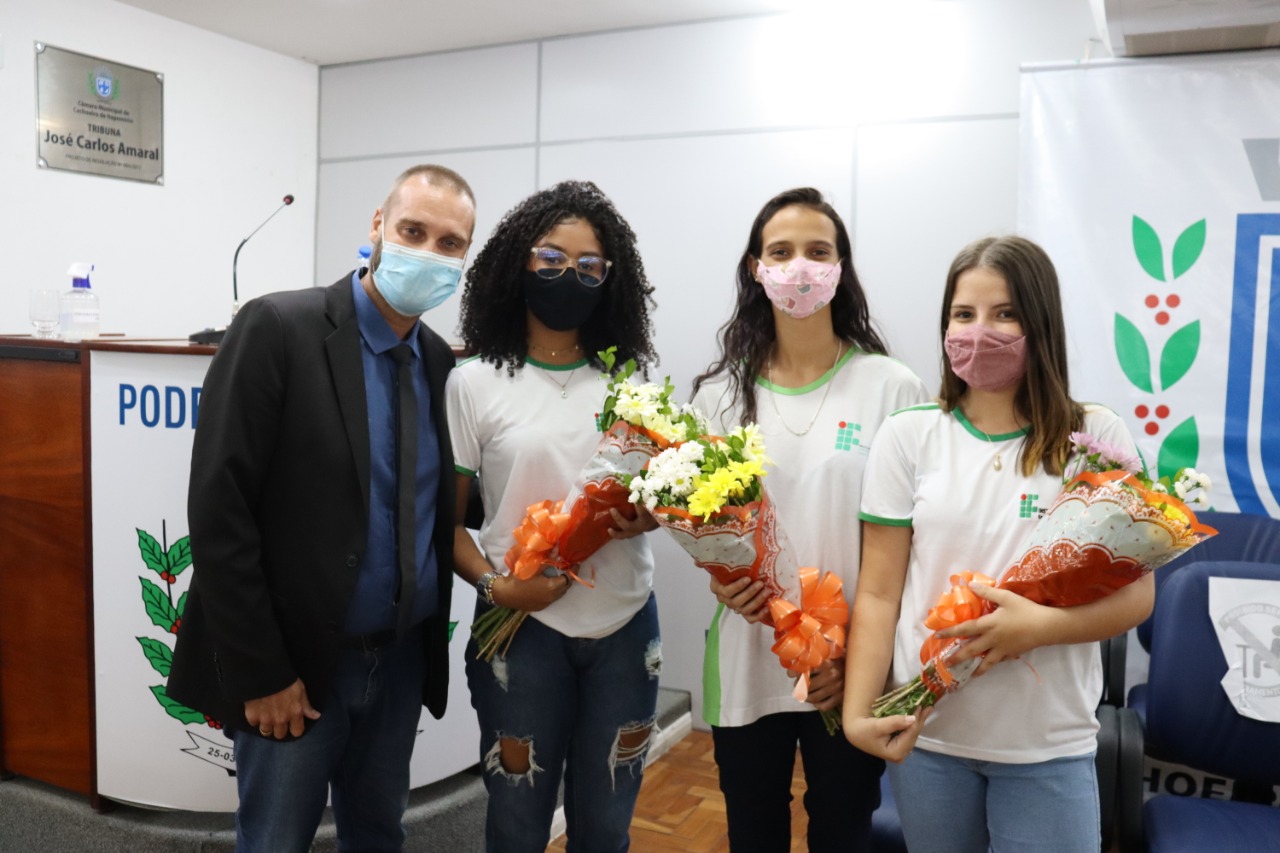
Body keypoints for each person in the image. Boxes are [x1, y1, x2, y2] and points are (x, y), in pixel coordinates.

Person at [169, 164, 476, 852]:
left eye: (450, 243)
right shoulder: (278, 327)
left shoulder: (437, 362)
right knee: (275, 839)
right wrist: (264, 672)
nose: (429, 252)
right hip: (298, 666)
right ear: (377, 227)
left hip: (397, 662)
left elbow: (448, 499)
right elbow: (219, 512)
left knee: (378, 833)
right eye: (413, 231)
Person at [843, 235, 1154, 853]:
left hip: (1048, 744)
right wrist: (858, 715)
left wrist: (1035, 628)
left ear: (1040, 322)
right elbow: (879, 594)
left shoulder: (1093, 436)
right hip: (930, 736)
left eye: (1004, 313)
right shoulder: (909, 436)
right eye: (964, 314)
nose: (979, 330)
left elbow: (1138, 598)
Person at [690, 187, 929, 852]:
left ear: (841, 269)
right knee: (753, 832)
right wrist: (719, 575)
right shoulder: (717, 395)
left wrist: (857, 656)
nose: (799, 267)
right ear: (754, 268)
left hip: (848, 669)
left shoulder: (893, 387)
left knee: (845, 832)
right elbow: (703, 524)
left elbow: (913, 547)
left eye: (818, 252)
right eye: (781, 251)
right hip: (748, 658)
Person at [446, 180, 662, 852]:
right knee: (516, 820)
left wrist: (648, 515)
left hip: (626, 625)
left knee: (606, 824)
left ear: (610, 279)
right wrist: (496, 586)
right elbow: (448, 526)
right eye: (551, 258)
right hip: (520, 630)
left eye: (590, 265)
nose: (570, 275)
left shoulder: (632, 380)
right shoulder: (474, 381)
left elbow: (661, 495)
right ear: (518, 263)